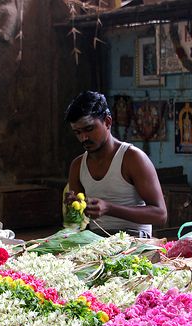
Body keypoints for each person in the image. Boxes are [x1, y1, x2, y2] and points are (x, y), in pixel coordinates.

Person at [65, 91, 167, 238]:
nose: (83, 138)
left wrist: (109, 208)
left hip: (135, 240)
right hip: (96, 242)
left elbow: (160, 215)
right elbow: (79, 222)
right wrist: (75, 207)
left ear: (107, 122)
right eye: (77, 132)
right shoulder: (77, 166)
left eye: (89, 129)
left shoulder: (132, 158)